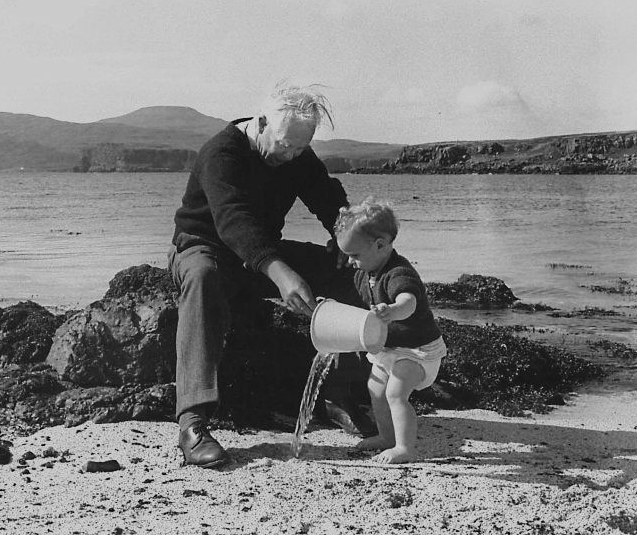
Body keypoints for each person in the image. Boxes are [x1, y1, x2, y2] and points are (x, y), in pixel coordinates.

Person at [169, 81, 370, 468]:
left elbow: (328, 200)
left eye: (301, 147)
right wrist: (281, 274)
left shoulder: (296, 154)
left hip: (259, 254)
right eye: (286, 144)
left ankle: (339, 393)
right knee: (203, 279)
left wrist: (349, 243)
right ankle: (192, 423)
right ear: (261, 122)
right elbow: (233, 221)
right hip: (203, 246)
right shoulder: (220, 152)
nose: (292, 154)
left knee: (350, 273)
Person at [334, 197, 446, 464]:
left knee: (395, 393)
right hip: (390, 348)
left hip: (418, 352)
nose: (350, 262)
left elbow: (409, 302)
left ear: (381, 245)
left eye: (355, 255)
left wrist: (392, 310)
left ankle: (404, 448)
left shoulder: (398, 272)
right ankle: (387, 436)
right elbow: (358, 304)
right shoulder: (365, 272)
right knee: (375, 389)